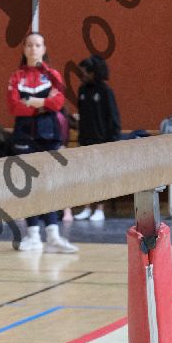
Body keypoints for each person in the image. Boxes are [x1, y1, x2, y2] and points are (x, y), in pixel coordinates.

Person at [6, 31, 77, 253]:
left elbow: (58, 103)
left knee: (49, 184)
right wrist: (43, 103)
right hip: (24, 136)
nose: (33, 49)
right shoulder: (16, 77)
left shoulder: (53, 75)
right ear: (24, 49)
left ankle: (53, 236)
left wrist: (31, 101)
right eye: (29, 45)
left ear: (44, 49)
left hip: (49, 135)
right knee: (29, 186)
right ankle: (33, 235)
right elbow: (14, 107)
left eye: (38, 45)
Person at [72, 54, 122, 222]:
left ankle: (100, 209)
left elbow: (114, 118)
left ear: (94, 72)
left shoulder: (106, 91)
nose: (82, 75)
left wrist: (113, 142)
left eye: (85, 72)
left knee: (100, 176)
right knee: (86, 175)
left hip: (102, 141)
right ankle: (87, 207)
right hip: (86, 139)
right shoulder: (82, 90)